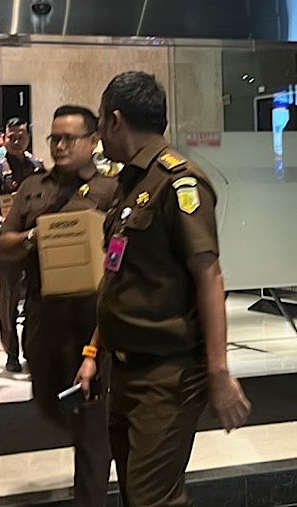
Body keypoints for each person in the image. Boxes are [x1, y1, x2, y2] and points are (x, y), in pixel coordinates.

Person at [76, 71, 252, 506]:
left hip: (166, 376)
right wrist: (94, 351)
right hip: (126, 370)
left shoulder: (179, 183)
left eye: (100, 120)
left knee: (153, 498)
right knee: (136, 493)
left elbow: (209, 277)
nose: (99, 134)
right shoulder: (132, 183)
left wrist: (218, 373)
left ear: (115, 120)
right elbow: (118, 278)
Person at [0, 105, 116, 505]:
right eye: (55, 139)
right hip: (43, 315)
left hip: (91, 316)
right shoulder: (33, 187)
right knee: (47, 400)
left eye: (70, 138)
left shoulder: (111, 189)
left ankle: (91, 494)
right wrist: (38, 236)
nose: (60, 146)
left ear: (93, 141)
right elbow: (5, 244)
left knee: (91, 422)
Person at [0, 118, 44, 372]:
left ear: (28, 138)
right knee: (8, 297)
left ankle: (31, 348)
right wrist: (1, 221)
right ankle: (11, 352)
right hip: (7, 241)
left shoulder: (38, 168)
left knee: (34, 295)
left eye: (21, 136)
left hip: (34, 239)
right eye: (12, 137)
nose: (17, 141)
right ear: (4, 138)